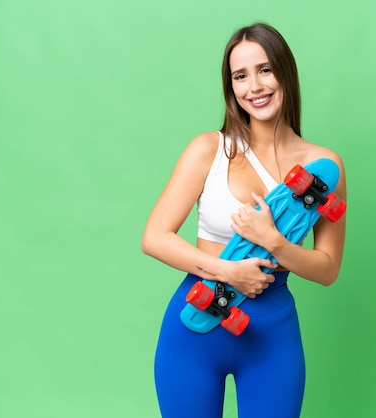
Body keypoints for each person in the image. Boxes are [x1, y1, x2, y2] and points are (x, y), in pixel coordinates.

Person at [141, 22, 346, 418]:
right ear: (231, 87)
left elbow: (328, 269)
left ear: (285, 72)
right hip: (195, 326)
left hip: (273, 334)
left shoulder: (323, 168)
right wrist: (227, 271)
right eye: (241, 75)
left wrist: (275, 242)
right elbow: (154, 237)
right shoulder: (209, 150)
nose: (255, 86)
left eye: (265, 69)